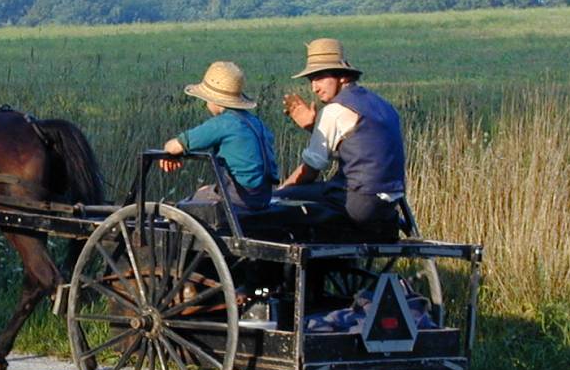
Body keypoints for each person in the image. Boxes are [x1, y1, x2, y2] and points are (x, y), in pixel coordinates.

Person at [275, 38, 406, 238]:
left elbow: (311, 170)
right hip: (389, 204)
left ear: (342, 77)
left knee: (280, 202)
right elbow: (363, 150)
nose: (314, 87)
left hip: (359, 202)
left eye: (319, 77)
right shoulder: (383, 105)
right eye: (311, 80)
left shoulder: (335, 110)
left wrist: (280, 191)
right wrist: (315, 128)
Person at [159, 60, 279, 212]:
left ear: (213, 100)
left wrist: (167, 150)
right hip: (263, 196)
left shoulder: (222, 124)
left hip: (240, 198)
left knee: (186, 206)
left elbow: (176, 145)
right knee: (205, 190)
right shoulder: (256, 122)